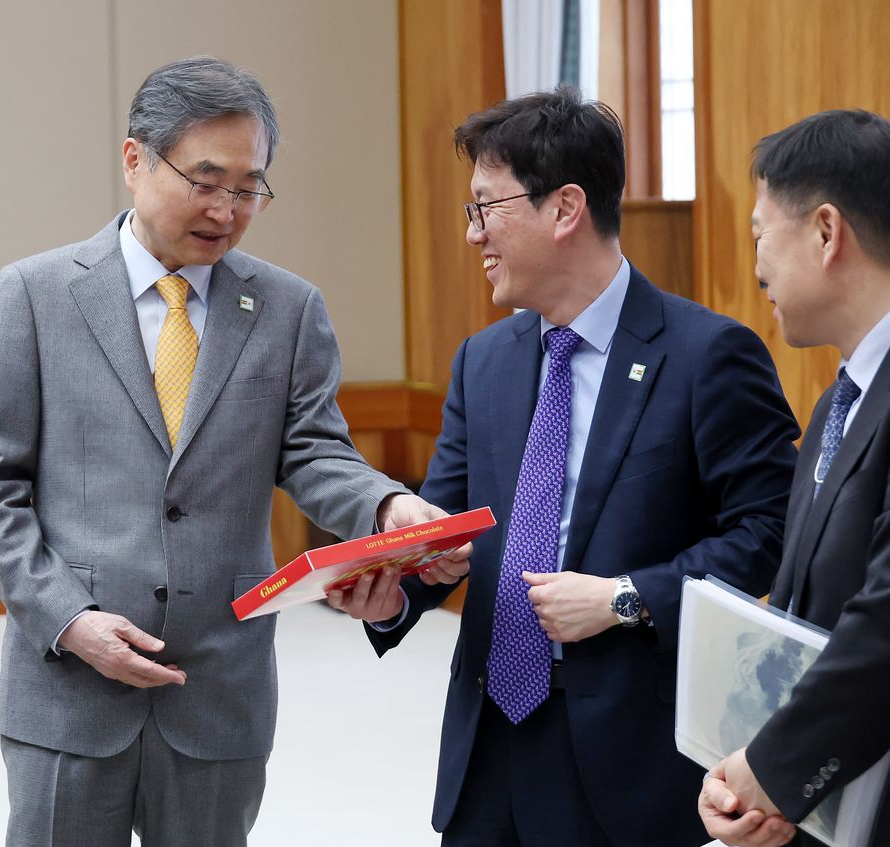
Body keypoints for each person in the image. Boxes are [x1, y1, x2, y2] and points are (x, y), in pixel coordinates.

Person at [0, 55, 462, 847]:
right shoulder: (35, 294)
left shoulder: (289, 309)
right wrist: (68, 618)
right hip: (68, 682)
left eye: (248, 185)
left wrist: (390, 505)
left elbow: (315, 451)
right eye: (204, 178)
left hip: (217, 685)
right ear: (133, 160)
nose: (226, 208)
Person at [330, 85, 799, 846]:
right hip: (487, 748)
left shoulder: (706, 355)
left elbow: (768, 531)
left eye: (486, 207)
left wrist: (624, 596)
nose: (472, 234)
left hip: (627, 761)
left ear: (564, 208)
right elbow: (446, 531)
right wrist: (394, 595)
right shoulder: (482, 361)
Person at [699, 109, 890, 847]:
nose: (755, 271)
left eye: (758, 236)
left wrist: (771, 771)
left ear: (823, 231)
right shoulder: (833, 407)